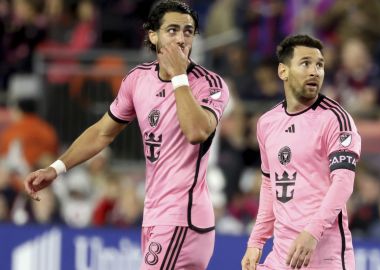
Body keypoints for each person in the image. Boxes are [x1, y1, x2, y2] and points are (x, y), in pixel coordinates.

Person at [24, 1, 229, 269]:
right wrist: (56, 168)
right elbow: (102, 133)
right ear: (153, 35)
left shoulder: (209, 84)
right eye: (172, 30)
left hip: (183, 218)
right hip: (156, 216)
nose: (181, 38)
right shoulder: (138, 79)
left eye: (188, 31)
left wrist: (180, 76)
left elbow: (196, 131)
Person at [241, 34, 361, 270]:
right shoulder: (267, 123)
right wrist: (256, 240)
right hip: (281, 256)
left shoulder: (336, 119)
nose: (315, 71)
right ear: (283, 72)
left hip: (323, 256)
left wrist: (312, 232)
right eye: (305, 63)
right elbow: (269, 185)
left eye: (320, 65)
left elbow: (343, 183)